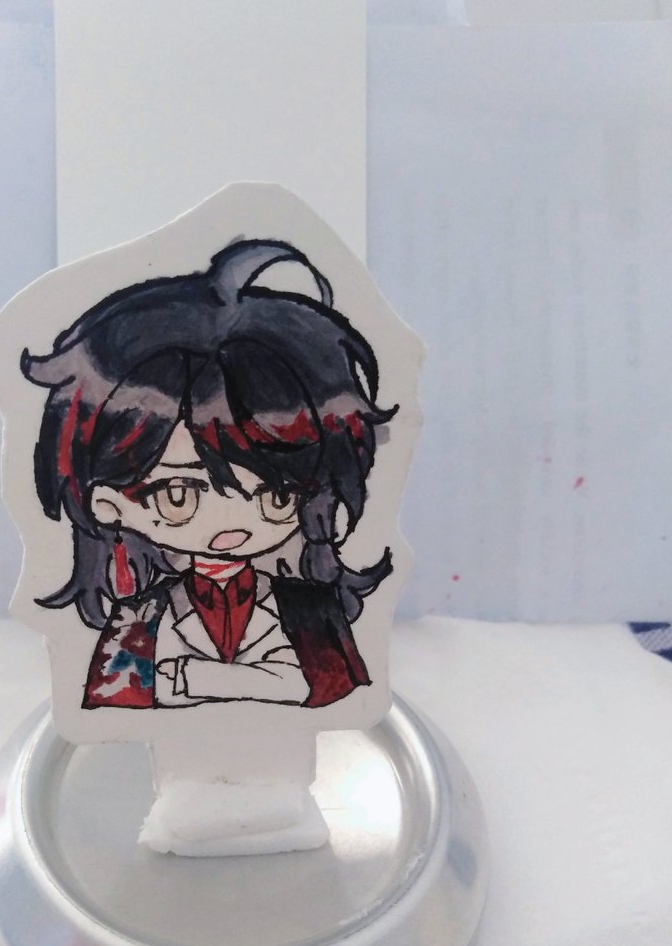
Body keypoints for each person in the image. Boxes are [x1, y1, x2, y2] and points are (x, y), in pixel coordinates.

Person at [22, 239, 397, 709]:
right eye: (179, 494)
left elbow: (339, 698)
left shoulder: (314, 613)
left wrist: (192, 679)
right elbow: (116, 709)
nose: (234, 521)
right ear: (108, 503)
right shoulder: (136, 623)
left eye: (277, 493)